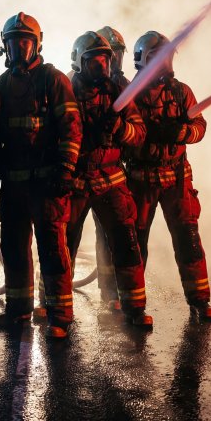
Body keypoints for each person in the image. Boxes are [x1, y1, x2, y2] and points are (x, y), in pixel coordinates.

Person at [0, 12, 82, 339]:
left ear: (37, 43)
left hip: (47, 184)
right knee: (15, 250)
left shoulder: (53, 80)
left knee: (53, 251)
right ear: (5, 46)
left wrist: (66, 169)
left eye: (25, 42)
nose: (20, 49)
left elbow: (72, 129)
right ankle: (18, 311)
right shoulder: (2, 84)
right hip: (14, 185)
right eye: (14, 43)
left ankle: (60, 316)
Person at [127, 31, 211, 321]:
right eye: (157, 58)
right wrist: (143, 134)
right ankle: (134, 306)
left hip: (177, 178)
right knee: (135, 243)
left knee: (188, 239)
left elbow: (200, 126)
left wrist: (182, 132)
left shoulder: (182, 92)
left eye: (167, 57)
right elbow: (122, 132)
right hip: (141, 179)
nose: (164, 63)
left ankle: (200, 302)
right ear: (142, 60)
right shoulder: (130, 94)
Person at [68, 31, 152, 327]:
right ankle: (58, 308)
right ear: (80, 62)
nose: (103, 66)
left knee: (127, 245)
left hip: (112, 179)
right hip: (76, 181)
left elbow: (139, 133)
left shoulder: (120, 88)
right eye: (95, 61)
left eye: (108, 59)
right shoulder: (65, 88)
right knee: (63, 245)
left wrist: (119, 128)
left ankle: (134, 307)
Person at [93, 26, 129, 307]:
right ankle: (53, 298)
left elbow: (138, 131)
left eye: (115, 56)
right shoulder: (73, 84)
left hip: (116, 173)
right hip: (84, 173)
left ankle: (116, 293)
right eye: (107, 56)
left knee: (117, 236)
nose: (111, 63)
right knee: (68, 236)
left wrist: (120, 129)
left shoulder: (126, 87)